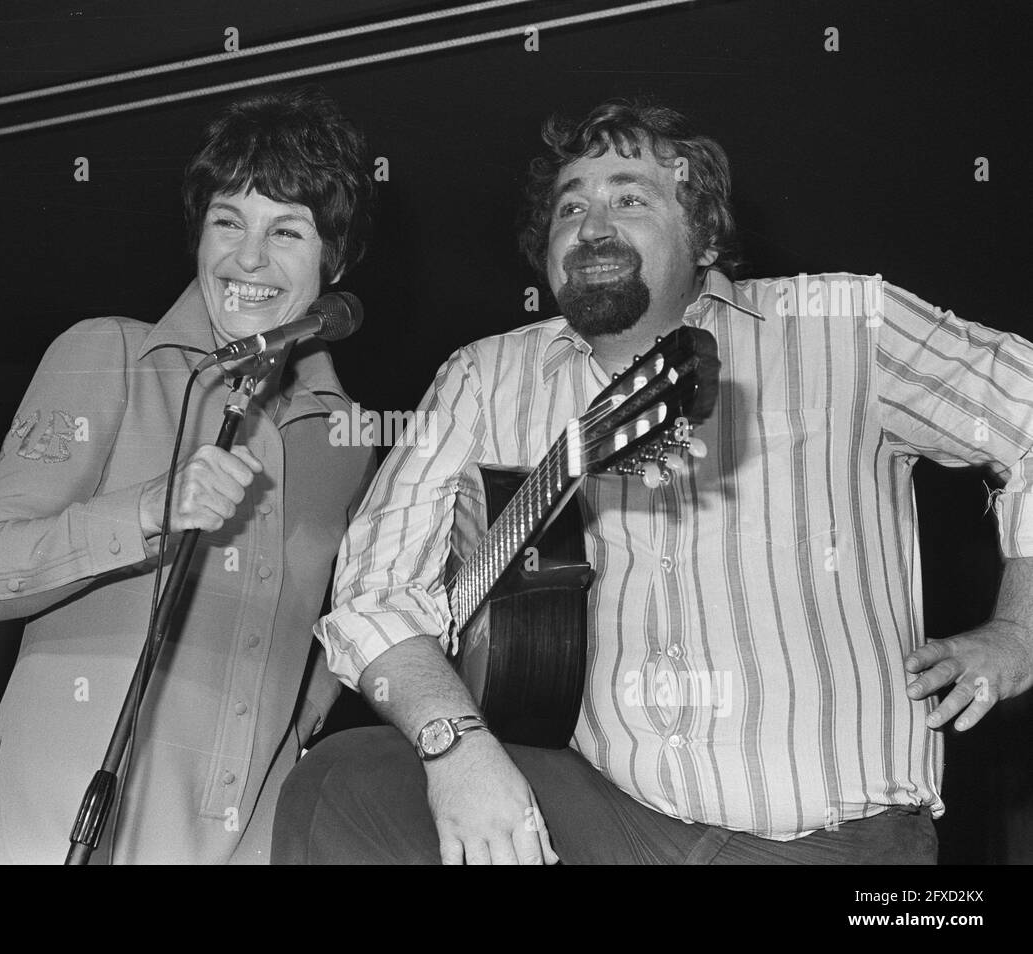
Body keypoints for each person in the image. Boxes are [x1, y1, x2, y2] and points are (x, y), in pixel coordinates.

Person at [272, 100, 1033, 864]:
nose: (592, 225)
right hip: (611, 820)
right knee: (339, 783)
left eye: (629, 197)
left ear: (704, 235)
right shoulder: (484, 376)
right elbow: (372, 594)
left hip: (839, 841)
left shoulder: (843, 325)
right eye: (571, 207)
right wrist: (455, 746)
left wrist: (1019, 630)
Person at [0, 86, 375, 864]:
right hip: (52, 832)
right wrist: (151, 508)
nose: (249, 258)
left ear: (333, 261)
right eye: (227, 222)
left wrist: (316, 700)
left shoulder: (348, 446)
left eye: (287, 231)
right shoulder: (105, 355)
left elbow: (330, 633)